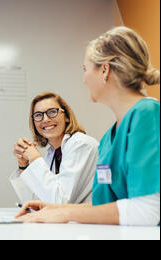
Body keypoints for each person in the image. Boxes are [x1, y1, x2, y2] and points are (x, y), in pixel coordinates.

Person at [16, 26, 160, 226]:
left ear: (105, 70)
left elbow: (147, 212)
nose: (84, 80)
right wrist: (55, 209)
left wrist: (66, 214)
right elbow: (104, 205)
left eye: (85, 69)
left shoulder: (147, 114)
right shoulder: (110, 138)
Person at [10, 92, 99, 204]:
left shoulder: (81, 144)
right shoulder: (52, 153)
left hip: (88, 220)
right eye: (38, 115)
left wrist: (35, 158)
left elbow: (60, 201)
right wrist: (23, 166)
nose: (45, 119)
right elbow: (34, 202)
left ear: (66, 116)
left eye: (52, 112)